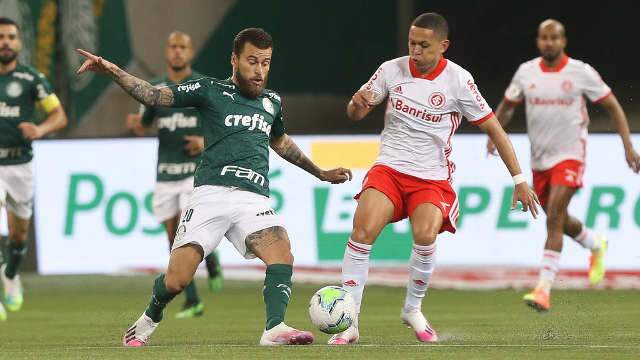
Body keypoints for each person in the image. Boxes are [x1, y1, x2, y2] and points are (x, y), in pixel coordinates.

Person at [76, 27, 352, 346]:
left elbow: (281, 141)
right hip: (210, 196)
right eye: (252, 61)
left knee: (282, 253)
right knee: (177, 280)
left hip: (253, 199)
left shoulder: (272, 102)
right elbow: (153, 95)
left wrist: (319, 173)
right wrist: (110, 69)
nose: (260, 70)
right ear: (234, 59)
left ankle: (274, 327)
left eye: (266, 63)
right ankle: (148, 319)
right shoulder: (210, 90)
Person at [330, 13, 539, 345]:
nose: (415, 51)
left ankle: (412, 309)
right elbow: (356, 111)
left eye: (424, 46)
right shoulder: (390, 70)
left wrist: (519, 179)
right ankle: (350, 320)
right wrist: (356, 106)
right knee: (362, 230)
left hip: (431, 178)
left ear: (443, 46)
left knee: (425, 235)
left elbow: (494, 128)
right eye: (412, 43)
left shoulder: (459, 81)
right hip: (390, 168)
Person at [488, 19, 640, 312]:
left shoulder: (580, 72)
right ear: (538, 41)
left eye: (554, 37)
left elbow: (612, 106)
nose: (548, 42)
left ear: (563, 41)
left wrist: (628, 146)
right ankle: (595, 242)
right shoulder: (526, 72)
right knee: (559, 219)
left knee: (554, 216)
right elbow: (507, 105)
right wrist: (495, 132)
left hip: (570, 155)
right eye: (543, 37)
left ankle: (543, 289)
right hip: (539, 160)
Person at [125, 31, 223, 319]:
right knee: (172, 236)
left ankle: (196, 294)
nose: (178, 51)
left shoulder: (203, 87)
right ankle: (198, 288)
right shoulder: (155, 89)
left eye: (183, 46)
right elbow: (144, 124)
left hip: (195, 173)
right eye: (173, 47)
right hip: (165, 172)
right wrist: (136, 124)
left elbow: (222, 125)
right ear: (167, 52)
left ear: (190, 52)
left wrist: (204, 143)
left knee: (183, 229)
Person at [0, 17, 67, 321]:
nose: (6, 42)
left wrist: (40, 130)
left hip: (20, 164)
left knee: (18, 235)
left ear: (19, 42)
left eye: (11, 37)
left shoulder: (31, 79)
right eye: (1, 37)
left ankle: (10, 273)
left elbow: (58, 115)